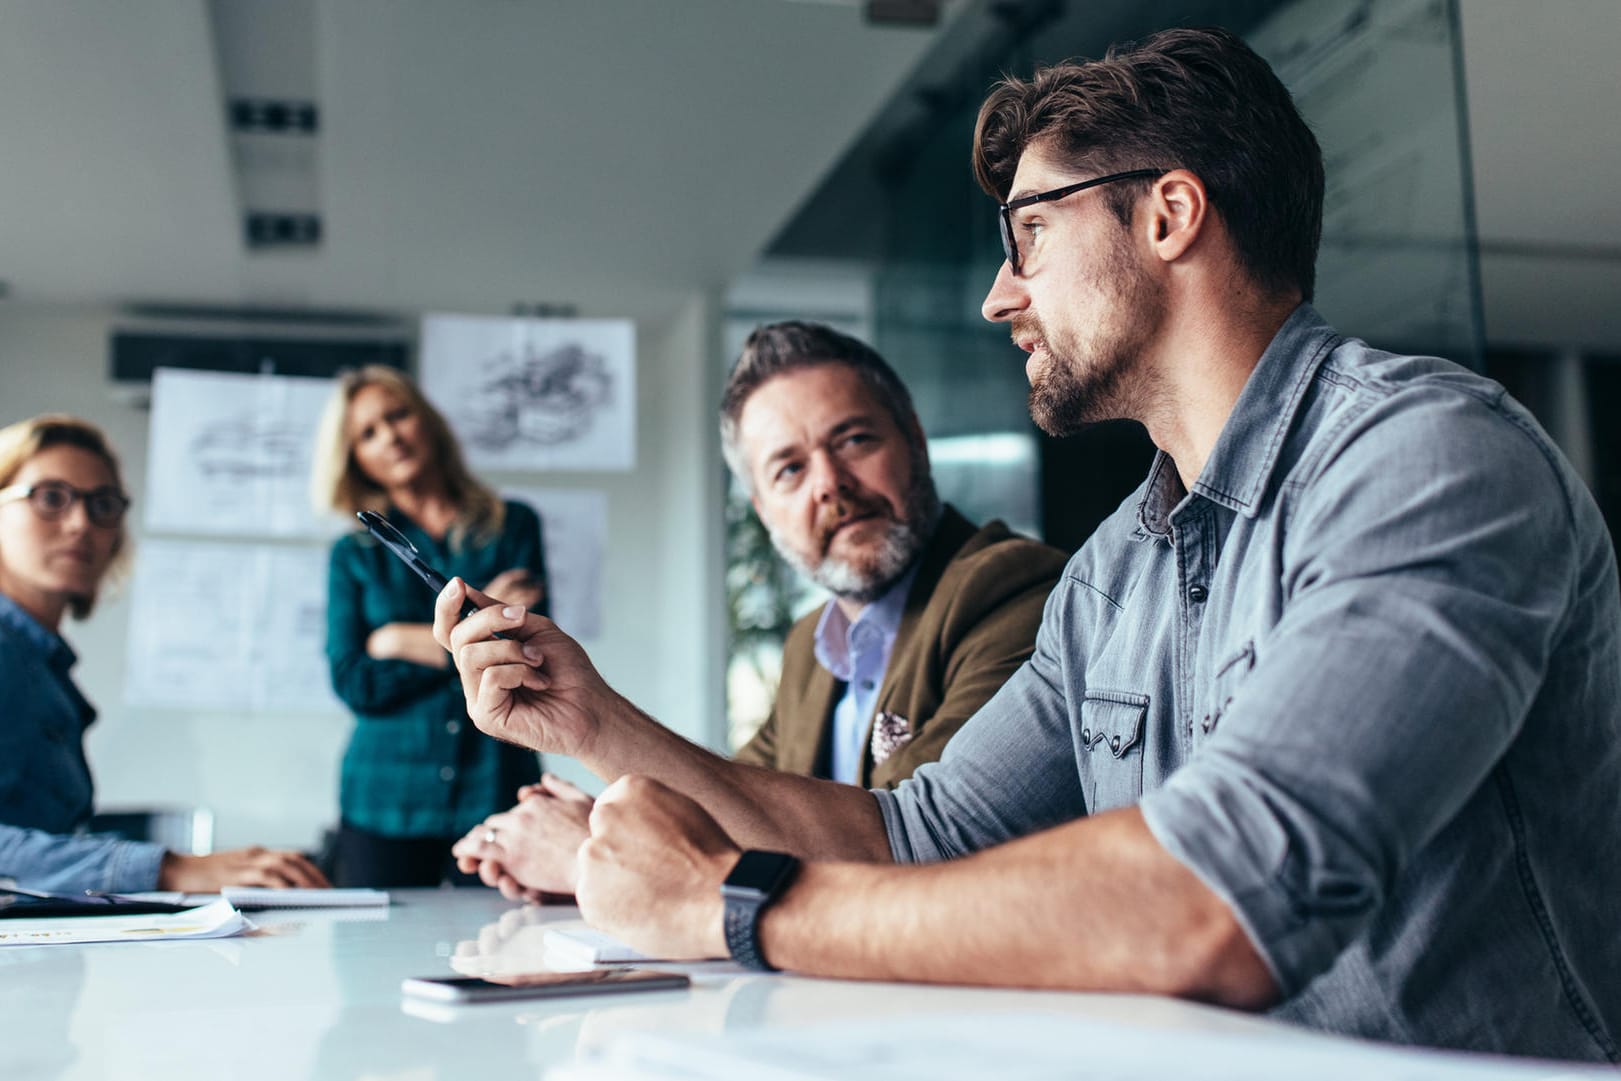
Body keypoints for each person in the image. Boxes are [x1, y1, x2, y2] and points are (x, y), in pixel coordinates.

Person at [433, 27, 1621, 1063]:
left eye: (1029, 236)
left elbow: (1220, 900)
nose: (1001, 296)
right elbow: (913, 836)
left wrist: (735, 906)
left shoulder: (1427, 461)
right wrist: (590, 722)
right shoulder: (1116, 570)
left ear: (1168, 214)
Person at [451, 322, 1067, 900]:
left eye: (853, 440)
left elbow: (908, 851)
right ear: (762, 507)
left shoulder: (1013, 590)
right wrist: (608, 817)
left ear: (914, 438)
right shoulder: (812, 645)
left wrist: (592, 852)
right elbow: (736, 807)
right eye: (790, 469)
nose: (829, 483)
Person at [0, 414, 328, 893]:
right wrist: (169, 868)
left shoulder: (43, 665)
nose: (80, 523)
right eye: (50, 497)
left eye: (103, 504)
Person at [314, 366, 548, 888]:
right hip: (385, 799)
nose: (390, 436)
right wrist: (471, 640)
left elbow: (526, 653)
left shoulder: (514, 527)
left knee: (504, 950)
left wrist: (395, 640)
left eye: (398, 416)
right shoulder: (353, 556)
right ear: (355, 458)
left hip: (494, 787)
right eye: (368, 433)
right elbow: (354, 681)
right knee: (374, 962)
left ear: (427, 421)